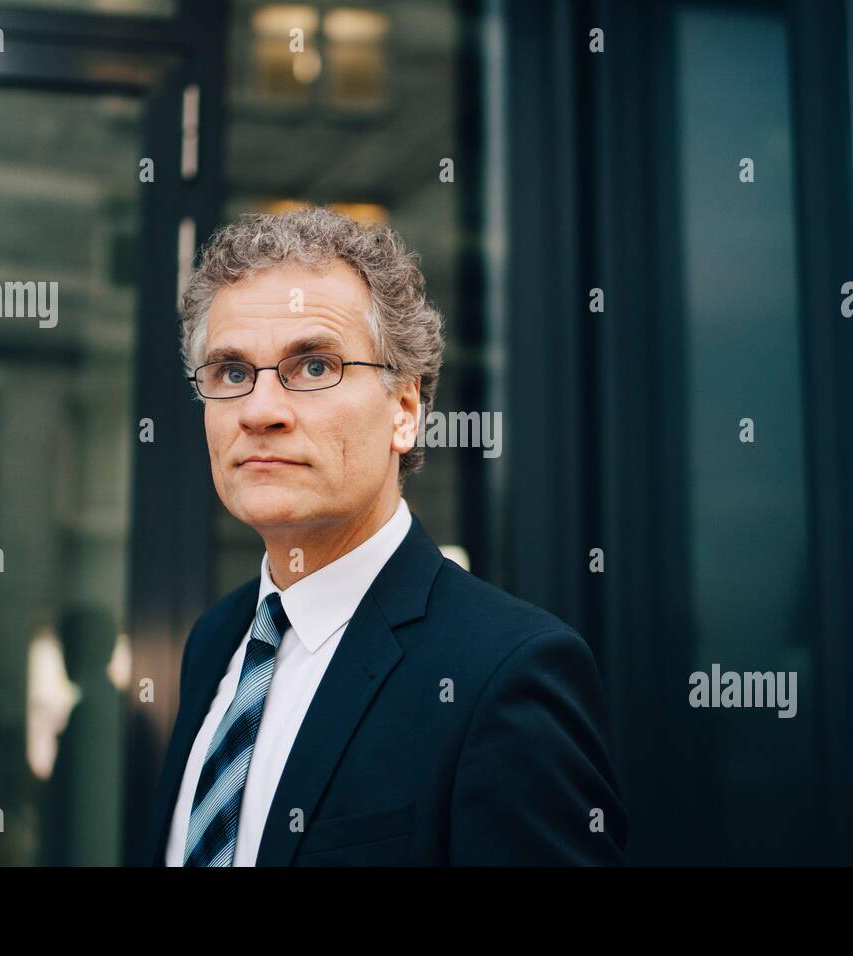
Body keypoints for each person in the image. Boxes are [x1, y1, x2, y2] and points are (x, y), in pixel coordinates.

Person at [144, 206, 627, 866]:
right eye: (231, 372)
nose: (259, 411)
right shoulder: (214, 644)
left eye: (313, 367)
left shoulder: (507, 673)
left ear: (405, 411)